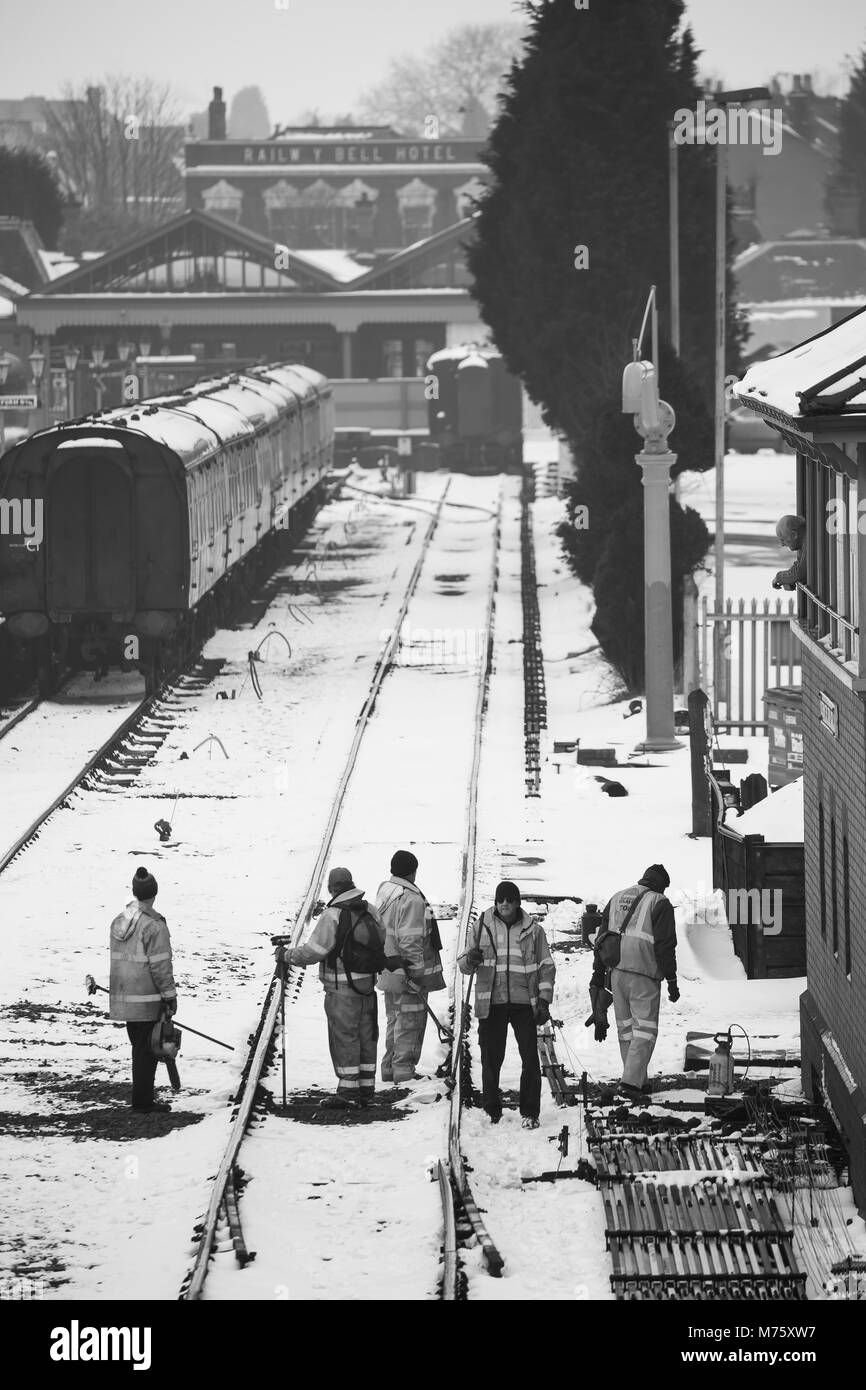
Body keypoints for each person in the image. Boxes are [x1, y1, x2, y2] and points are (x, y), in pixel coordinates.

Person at [278, 867, 386, 1109]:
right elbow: (382, 940)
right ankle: (366, 1089)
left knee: (345, 1038)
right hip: (367, 987)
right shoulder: (370, 909)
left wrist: (287, 955)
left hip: (342, 990)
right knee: (367, 1037)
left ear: (332, 888)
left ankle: (348, 1093)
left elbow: (314, 952)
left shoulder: (333, 915)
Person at [457, 881, 555, 1129]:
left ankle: (530, 1111)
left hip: (525, 1003)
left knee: (530, 1059)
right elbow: (463, 964)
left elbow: (546, 966)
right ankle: (491, 1110)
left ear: (517, 902)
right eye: (501, 901)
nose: (505, 905)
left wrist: (544, 1000)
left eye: (509, 901)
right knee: (491, 1058)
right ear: (495, 902)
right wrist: (470, 958)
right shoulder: (482, 926)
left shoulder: (534, 931)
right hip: (493, 1002)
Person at [589, 864, 678, 1102]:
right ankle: (630, 1083)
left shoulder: (617, 897)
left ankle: (638, 1079)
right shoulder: (659, 902)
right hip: (644, 974)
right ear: (662, 884)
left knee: (627, 1029)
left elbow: (600, 938)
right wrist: (672, 980)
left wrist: (598, 974)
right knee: (645, 1031)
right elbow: (665, 945)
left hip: (617, 973)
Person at [109, 866, 177, 1114]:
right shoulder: (154, 926)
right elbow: (160, 966)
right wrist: (169, 996)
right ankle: (143, 1103)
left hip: (124, 997)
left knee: (140, 1047)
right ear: (154, 893)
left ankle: (143, 1098)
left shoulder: (120, 921)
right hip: (147, 998)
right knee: (146, 1050)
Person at [375, 850, 445, 1085]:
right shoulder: (411, 899)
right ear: (413, 871)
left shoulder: (386, 891)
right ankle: (403, 1073)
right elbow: (411, 940)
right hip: (406, 973)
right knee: (410, 1022)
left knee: (395, 1019)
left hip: (389, 969)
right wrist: (414, 975)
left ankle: (389, 1069)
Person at [772, 514, 806, 590]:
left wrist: (779, 577)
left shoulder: (807, 542)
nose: (782, 544)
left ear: (794, 534)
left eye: (783, 539)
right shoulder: (803, 541)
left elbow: (800, 573)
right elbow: (799, 565)